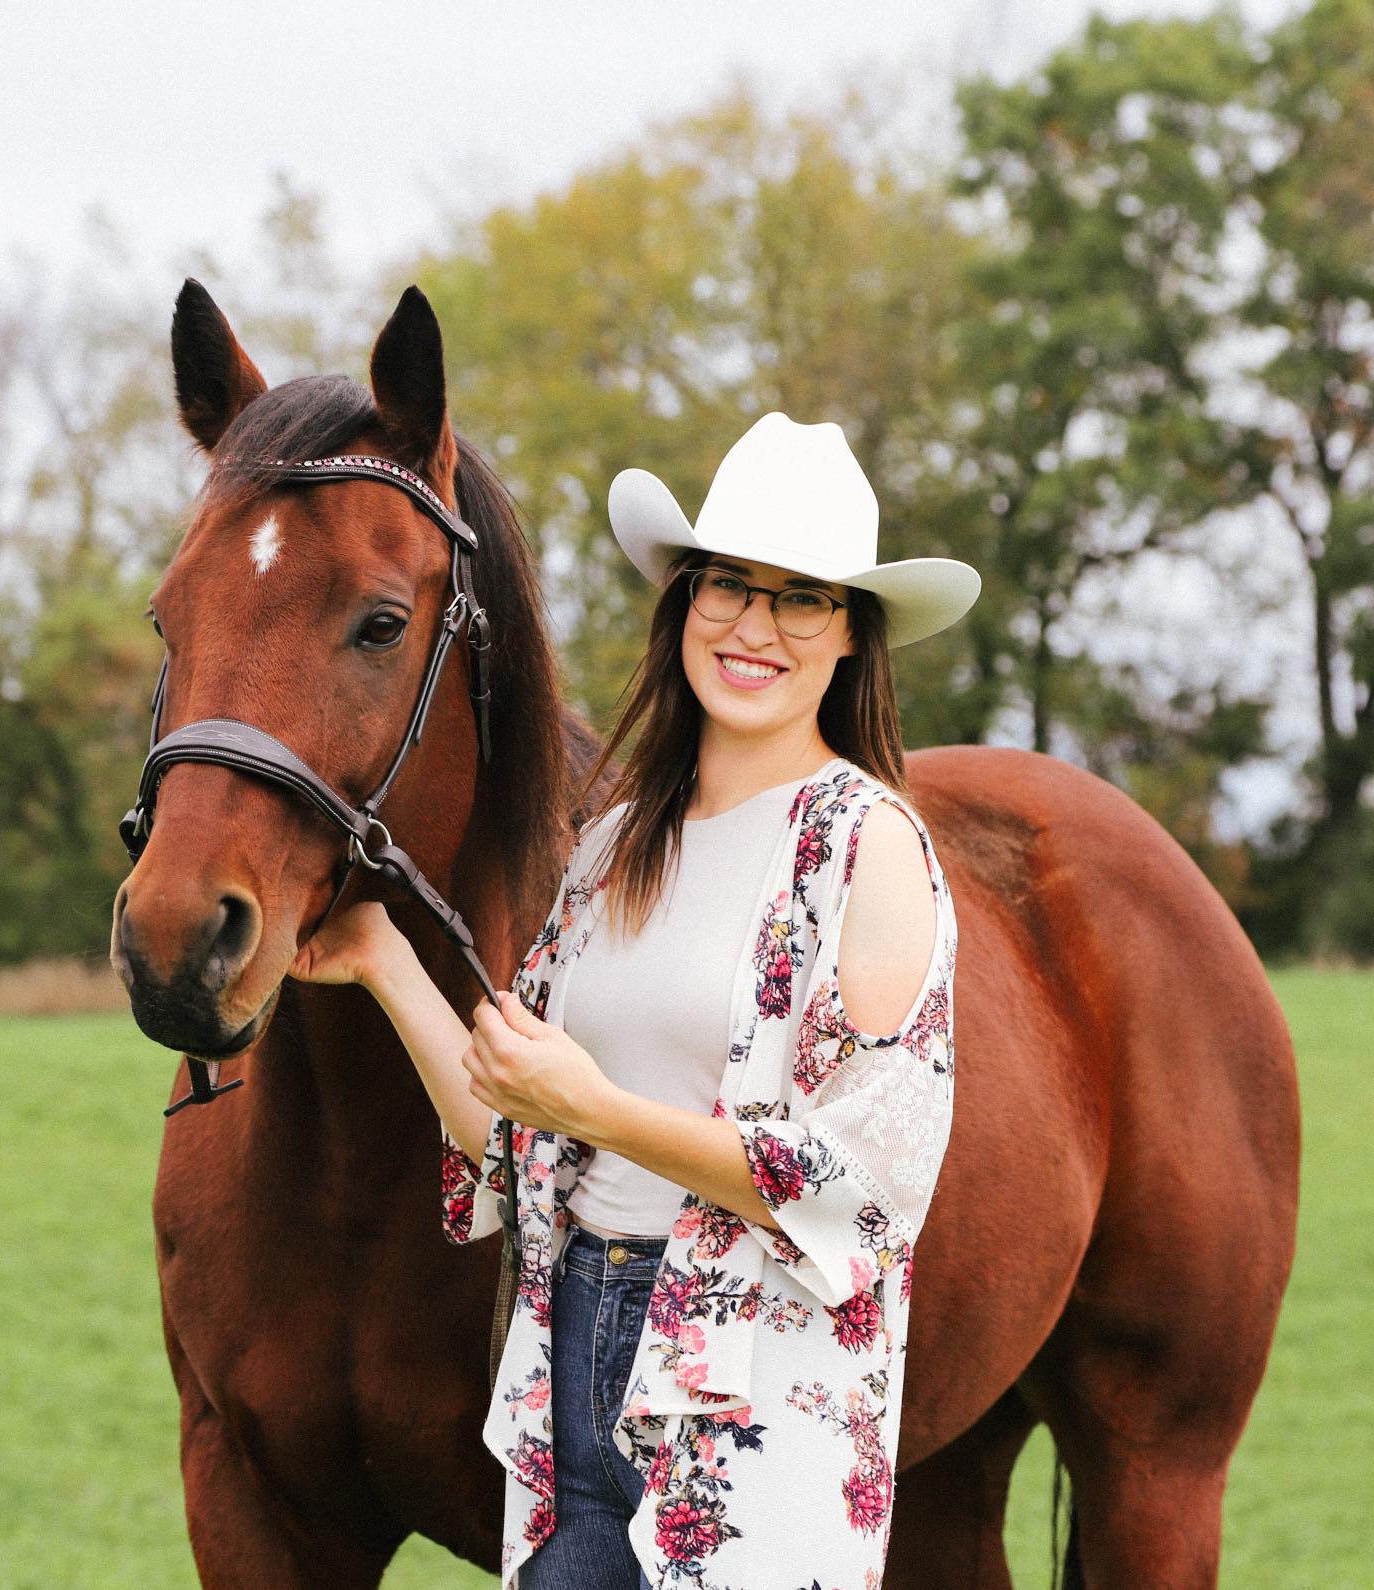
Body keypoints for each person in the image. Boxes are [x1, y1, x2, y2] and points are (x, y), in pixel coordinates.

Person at [290, 412, 980, 1589]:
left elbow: (861, 1190)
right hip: (573, 1358)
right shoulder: (610, 849)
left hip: (753, 1395)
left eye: (800, 598)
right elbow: (520, 1132)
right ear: (682, 605)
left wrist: (596, 1109)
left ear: (852, 637)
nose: (753, 626)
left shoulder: (862, 847)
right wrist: (382, 962)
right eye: (726, 588)